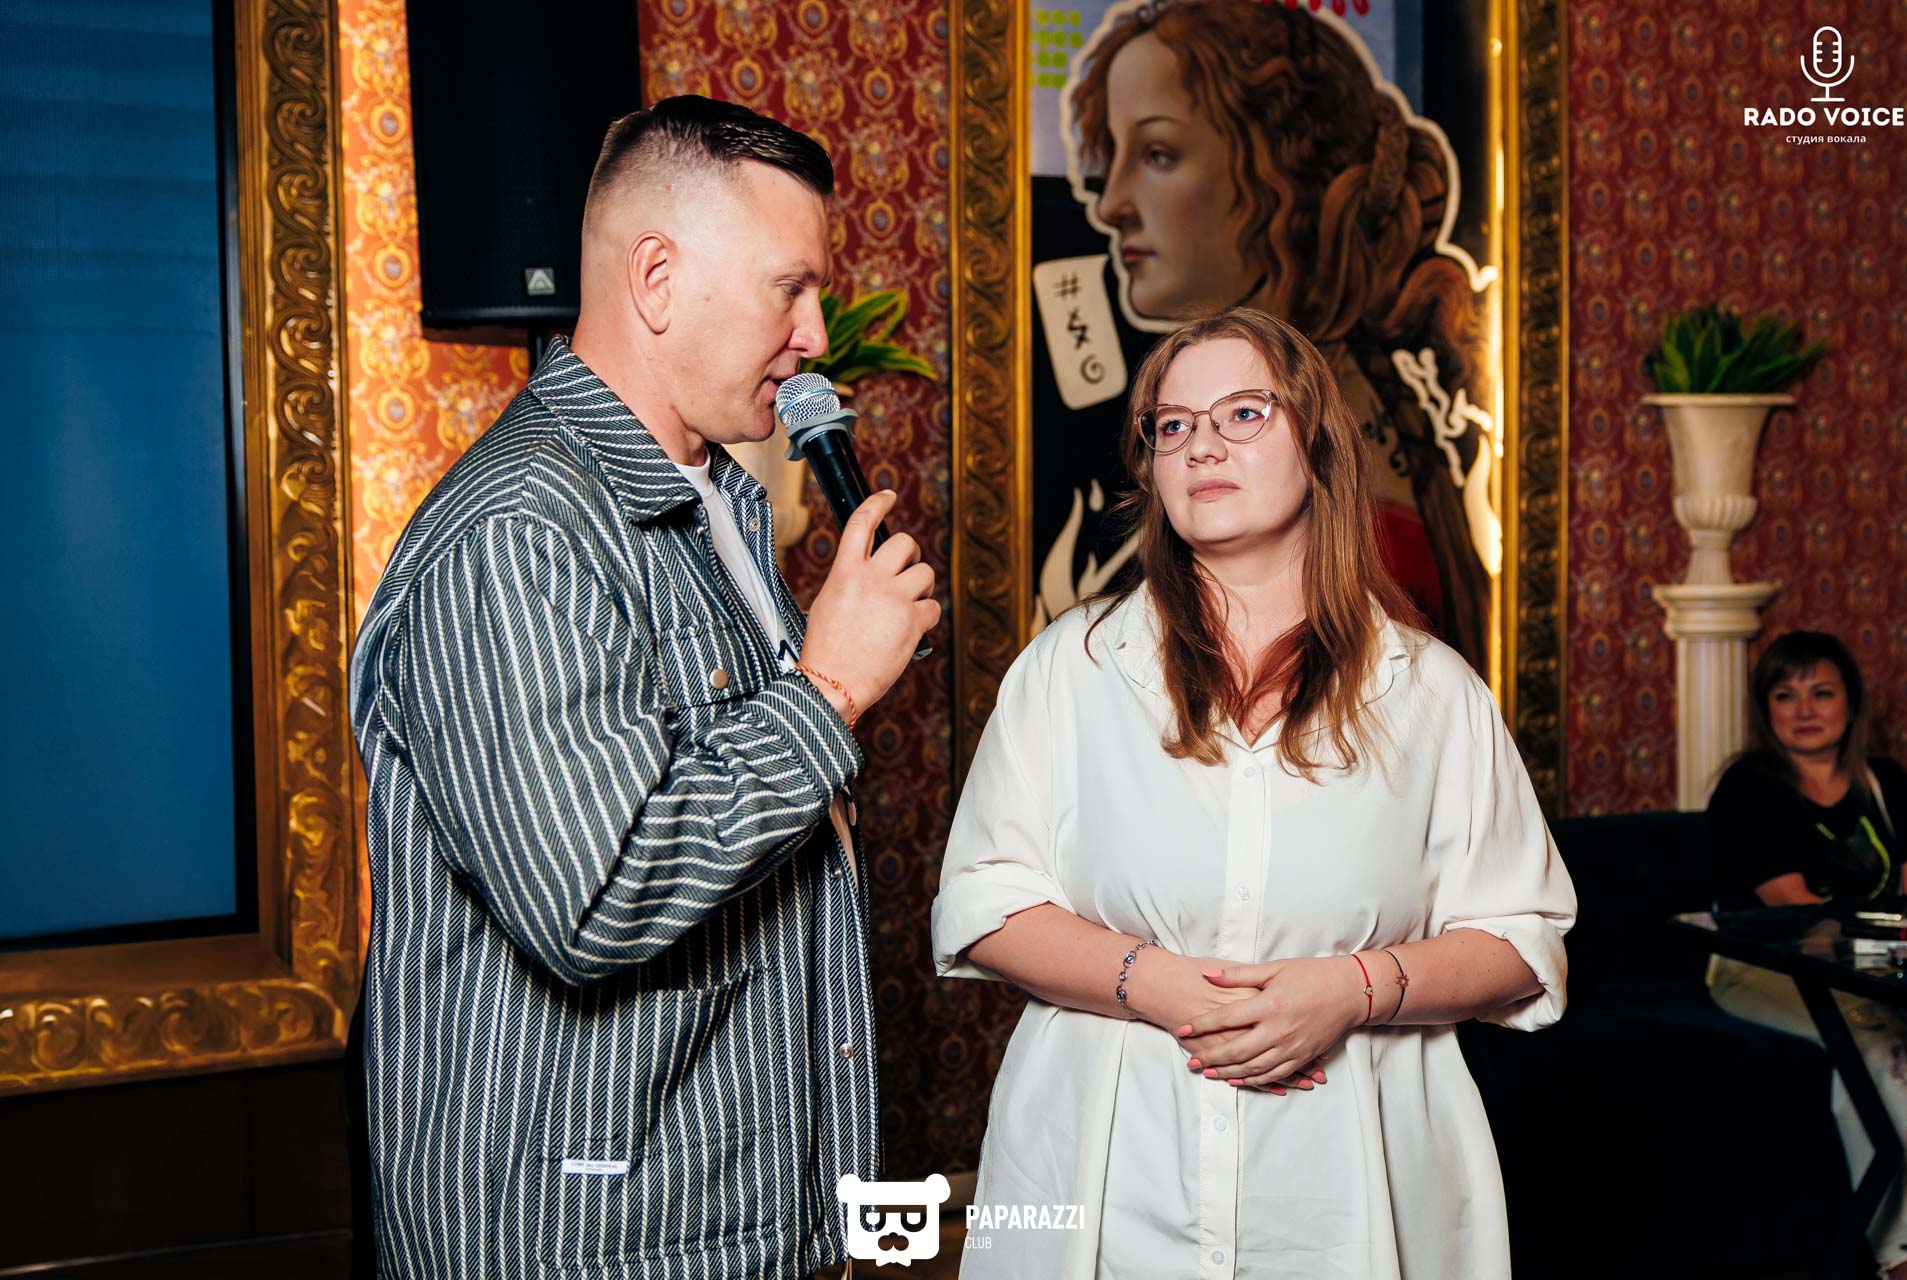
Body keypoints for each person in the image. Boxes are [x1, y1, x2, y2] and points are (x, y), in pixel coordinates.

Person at [347, 96, 938, 1280]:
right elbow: (597, 898)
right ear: (656, 280)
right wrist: (828, 687)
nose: (816, 334)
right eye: (789, 289)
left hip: (732, 1217)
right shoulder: (520, 532)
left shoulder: (717, 500)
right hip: (588, 1243)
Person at [932, 307, 1575, 1278]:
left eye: (1242, 413)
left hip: (1349, 1186)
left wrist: (1349, 989)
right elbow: (982, 902)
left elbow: (1521, 938)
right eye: (1173, 425)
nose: (1201, 446)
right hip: (1112, 1179)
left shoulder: (1432, 691)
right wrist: (1156, 983)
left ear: (1318, 443)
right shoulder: (1073, 668)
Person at [1056, 0, 1493, 670]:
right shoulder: (1074, 661)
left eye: (1157, 154)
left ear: (1278, 176)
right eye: (1171, 426)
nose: (1111, 204)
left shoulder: (1377, 541)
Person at [1707, 630, 1907, 1277]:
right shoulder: (1750, 787)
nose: (1804, 709)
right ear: (1764, 709)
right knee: (1882, 1044)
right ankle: (1906, 1257)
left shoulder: (1885, 781)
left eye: (1821, 692)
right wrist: (1899, 946)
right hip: (1768, 971)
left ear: (1850, 703)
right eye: (1785, 694)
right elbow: (1800, 918)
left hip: (1878, 968)